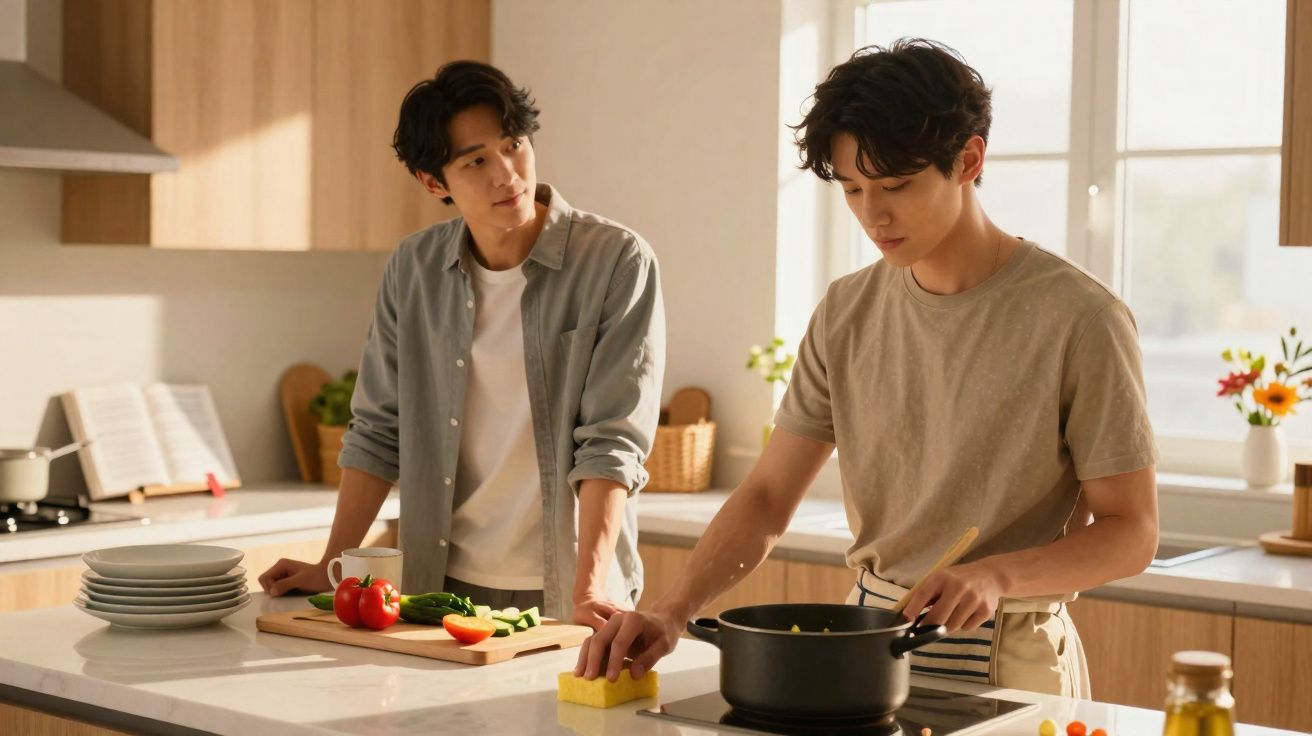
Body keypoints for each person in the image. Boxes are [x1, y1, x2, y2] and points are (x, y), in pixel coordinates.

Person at [577, 39, 1158, 694]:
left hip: (1012, 650)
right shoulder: (847, 310)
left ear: (968, 160)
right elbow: (768, 497)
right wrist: (673, 610)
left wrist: (996, 576)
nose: (872, 214)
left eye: (897, 186)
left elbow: (1131, 531)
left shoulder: (1080, 316)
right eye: (852, 188)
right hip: (868, 642)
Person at [258, 61, 666, 629]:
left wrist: (590, 587)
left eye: (514, 145)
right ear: (434, 182)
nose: (508, 174)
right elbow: (378, 428)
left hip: (569, 588)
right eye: (476, 161)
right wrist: (334, 564)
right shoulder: (413, 267)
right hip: (437, 586)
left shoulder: (616, 260)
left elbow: (612, 442)